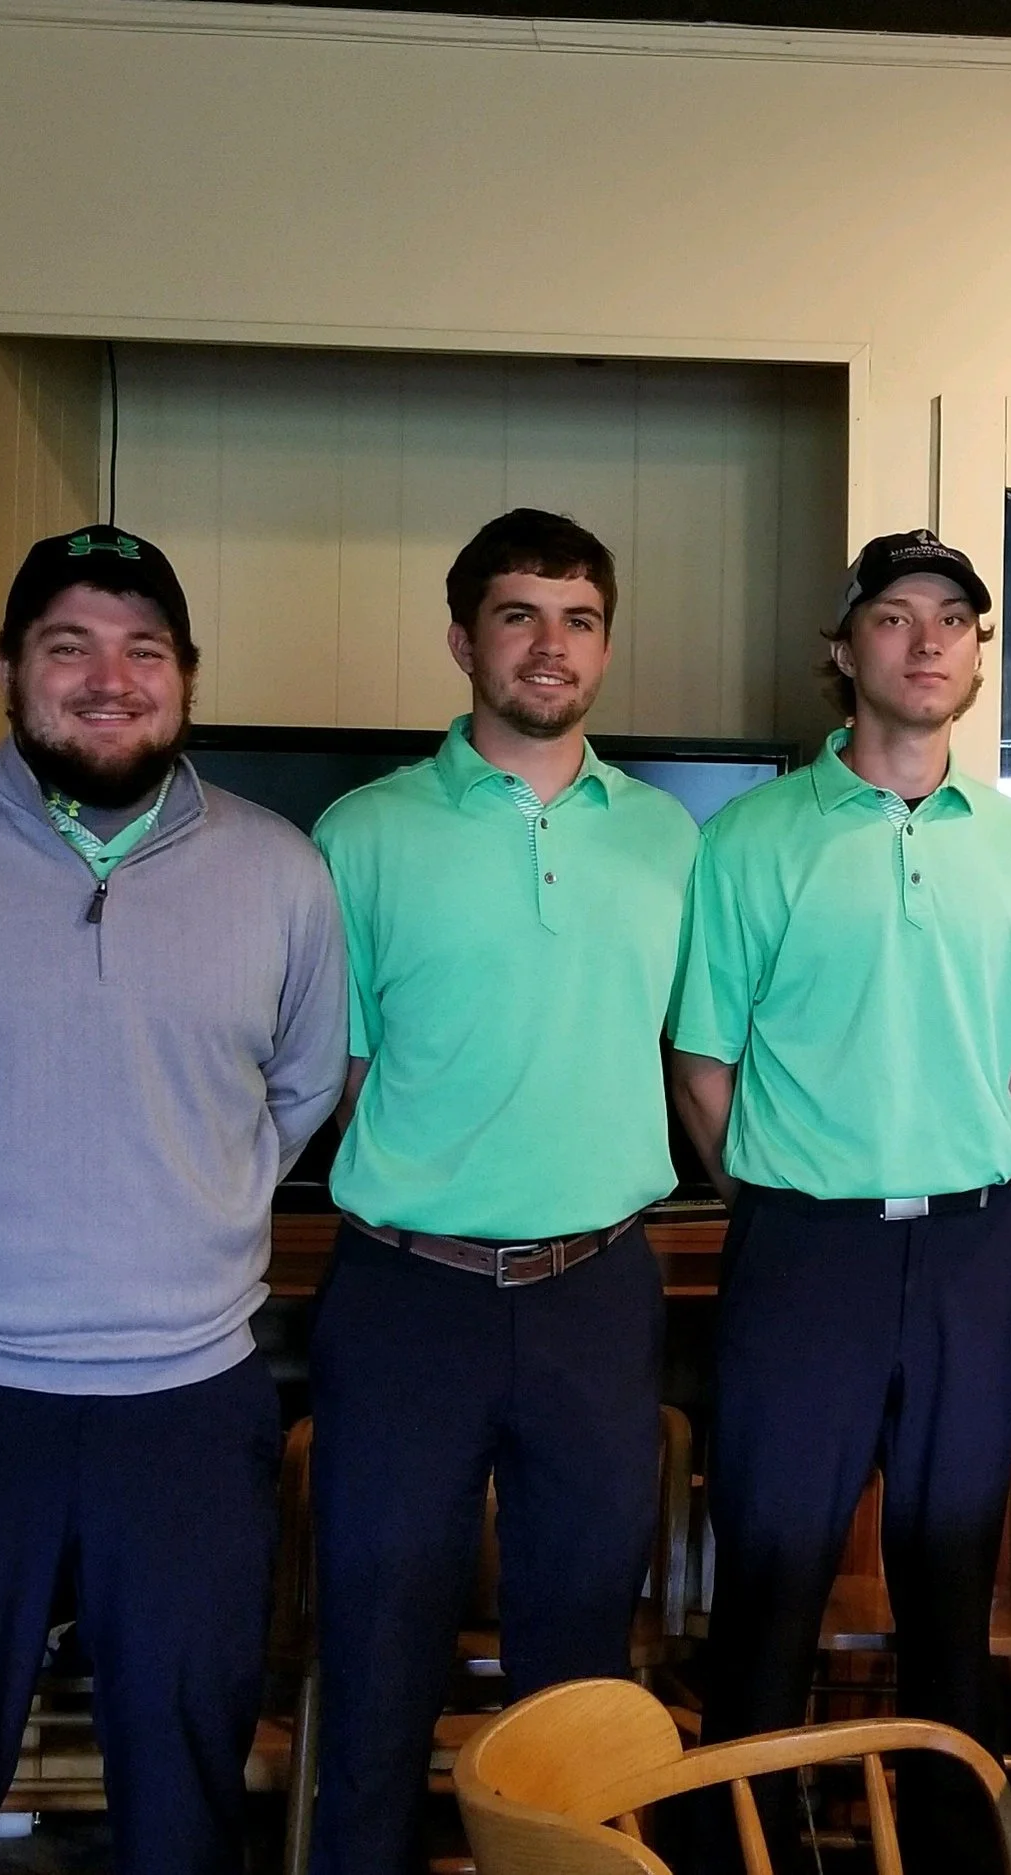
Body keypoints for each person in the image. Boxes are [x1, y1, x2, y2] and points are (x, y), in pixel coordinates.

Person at [0, 527, 346, 1875]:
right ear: (10, 667)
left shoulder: (282, 873)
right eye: (70, 646)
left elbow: (299, 1088)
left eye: (144, 650)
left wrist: (181, 1203)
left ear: (186, 675)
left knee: (185, 1803)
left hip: (187, 1410)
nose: (110, 679)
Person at [669, 529, 1011, 1870]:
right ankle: (742, 1848)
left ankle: (953, 1848)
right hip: (804, 1250)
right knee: (772, 1579)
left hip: (972, 1244)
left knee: (952, 1585)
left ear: (976, 655)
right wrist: (793, 1195)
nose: (926, 640)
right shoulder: (750, 837)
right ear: (845, 649)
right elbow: (703, 1060)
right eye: (896, 616)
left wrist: (959, 1159)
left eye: (953, 620)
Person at [307, 509, 699, 1874]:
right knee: (378, 1639)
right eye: (518, 614)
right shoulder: (362, 832)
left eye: (579, 618)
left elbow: (697, 1044)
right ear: (462, 639)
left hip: (597, 1289)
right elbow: (342, 1069)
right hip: (406, 1294)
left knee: (579, 1658)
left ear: (606, 645)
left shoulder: (669, 839)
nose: (550, 643)